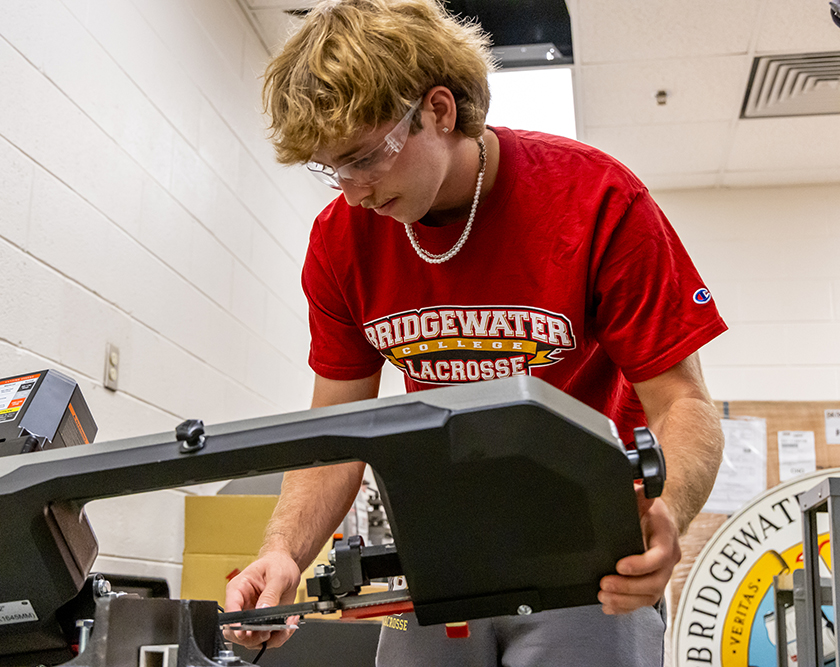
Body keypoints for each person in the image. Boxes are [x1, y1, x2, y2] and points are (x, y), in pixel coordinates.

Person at [224, 0, 726, 664]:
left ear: (437, 110)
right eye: (332, 169)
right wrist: (281, 552)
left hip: (585, 565)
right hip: (438, 563)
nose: (352, 192)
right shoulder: (342, 241)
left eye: (366, 157)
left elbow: (683, 404)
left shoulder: (597, 200)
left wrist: (669, 510)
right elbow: (336, 436)